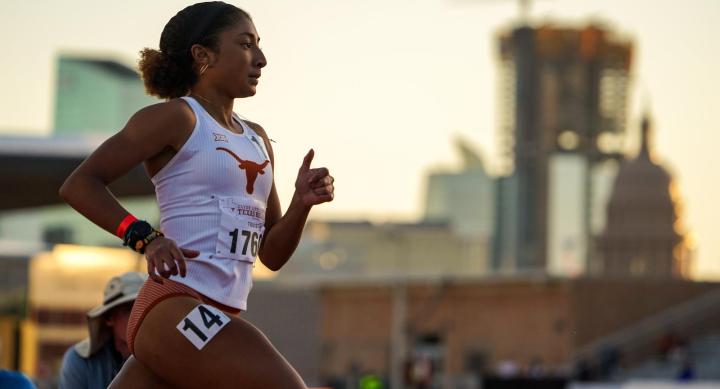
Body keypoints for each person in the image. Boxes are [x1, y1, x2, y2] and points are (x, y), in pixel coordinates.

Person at [59, 2, 335, 388]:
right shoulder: (178, 118)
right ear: (202, 55)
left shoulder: (258, 139)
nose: (262, 59)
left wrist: (301, 204)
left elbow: (271, 255)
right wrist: (146, 238)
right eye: (246, 45)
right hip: (172, 308)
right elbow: (80, 184)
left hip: (219, 315)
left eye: (259, 46)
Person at [58, 272, 146, 389]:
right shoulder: (81, 361)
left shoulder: (165, 358)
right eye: (128, 310)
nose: (139, 316)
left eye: (145, 308)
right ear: (109, 318)